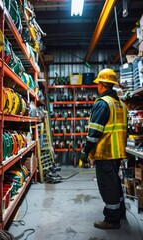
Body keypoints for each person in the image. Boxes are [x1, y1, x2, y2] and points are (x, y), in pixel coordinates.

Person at [80, 68, 127, 230]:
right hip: (117, 152)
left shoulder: (102, 103)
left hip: (106, 152)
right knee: (115, 183)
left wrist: (85, 151)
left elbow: (94, 131)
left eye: (98, 84)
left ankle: (112, 220)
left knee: (108, 186)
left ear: (101, 85)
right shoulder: (121, 104)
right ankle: (120, 213)